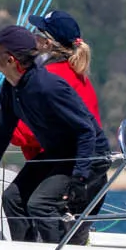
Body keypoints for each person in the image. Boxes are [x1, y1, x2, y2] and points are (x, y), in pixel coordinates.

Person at [0, 25, 109, 243]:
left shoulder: (47, 86)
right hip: (59, 153)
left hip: (89, 155)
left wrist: (80, 178)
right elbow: (2, 134)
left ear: (11, 58)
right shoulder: (11, 87)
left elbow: (86, 131)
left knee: (41, 204)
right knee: (12, 198)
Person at [10, 10, 101, 160]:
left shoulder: (48, 77)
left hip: (68, 162)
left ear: (47, 43)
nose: (33, 37)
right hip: (84, 158)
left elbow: (31, 128)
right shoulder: (74, 73)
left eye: (38, 33)